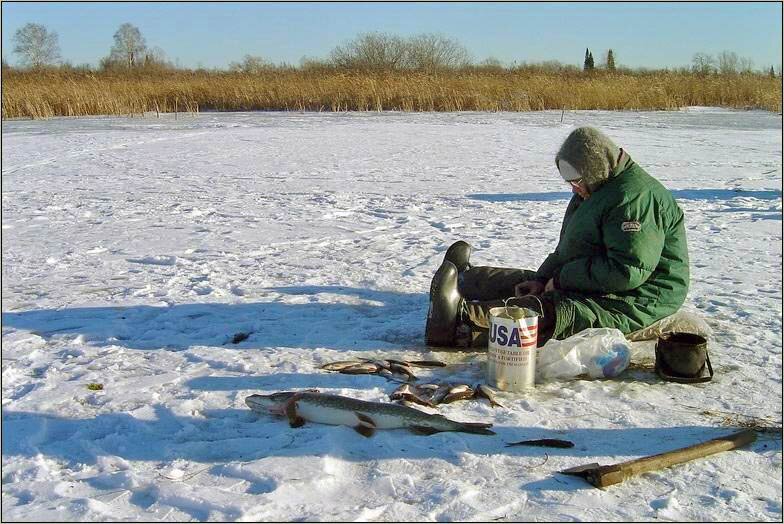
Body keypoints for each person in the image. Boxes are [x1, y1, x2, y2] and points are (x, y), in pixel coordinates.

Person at [425, 126, 690, 348]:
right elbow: (569, 250)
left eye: (577, 180)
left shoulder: (634, 201)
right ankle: (466, 280)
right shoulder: (596, 188)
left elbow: (626, 271)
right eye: (569, 180)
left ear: (595, 169)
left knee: (558, 308)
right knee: (529, 283)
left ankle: (459, 321)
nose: (573, 187)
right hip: (603, 280)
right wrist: (543, 279)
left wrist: (561, 279)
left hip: (638, 297)